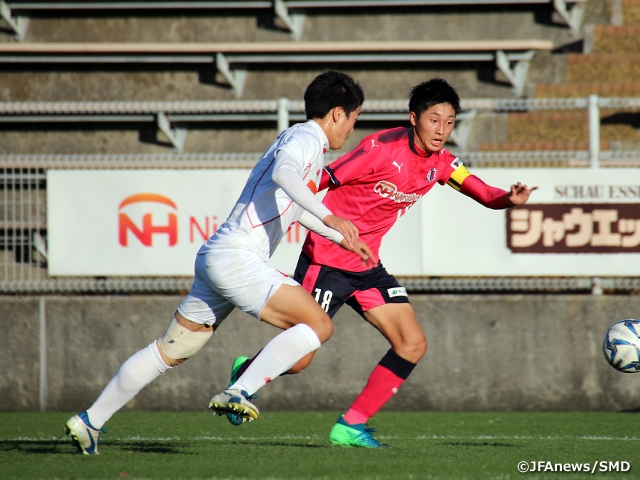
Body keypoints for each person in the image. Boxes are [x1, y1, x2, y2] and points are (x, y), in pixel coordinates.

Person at [64, 70, 375, 455]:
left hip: (218, 255)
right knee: (318, 325)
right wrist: (331, 218)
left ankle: (90, 420)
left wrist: (339, 235)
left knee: (170, 351)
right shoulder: (306, 137)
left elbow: (293, 203)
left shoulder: (301, 141)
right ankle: (240, 387)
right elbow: (284, 174)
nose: (353, 129)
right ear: (336, 114)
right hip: (239, 257)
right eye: (355, 118)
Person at [225, 78, 538, 447]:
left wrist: (509, 199)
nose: (442, 130)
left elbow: (484, 194)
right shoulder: (380, 148)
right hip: (325, 260)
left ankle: (350, 426)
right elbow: (324, 179)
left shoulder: (443, 164)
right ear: (413, 118)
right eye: (434, 119)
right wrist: (300, 215)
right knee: (299, 361)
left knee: (412, 343)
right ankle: (245, 372)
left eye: (450, 121)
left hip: (367, 265)